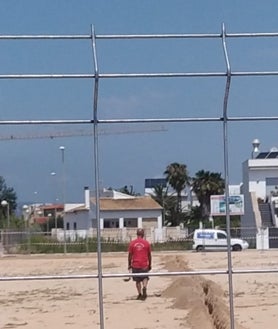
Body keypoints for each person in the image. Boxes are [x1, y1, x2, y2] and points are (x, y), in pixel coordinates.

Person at [128, 228, 152, 300]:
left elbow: (130, 255)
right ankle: (144, 287)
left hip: (135, 264)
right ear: (143, 234)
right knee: (145, 277)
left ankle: (139, 293)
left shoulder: (132, 243)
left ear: (137, 234)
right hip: (144, 264)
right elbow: (149, 255)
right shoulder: (146, 243)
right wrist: (149, 264)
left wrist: (129, 264)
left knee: (137, 280)